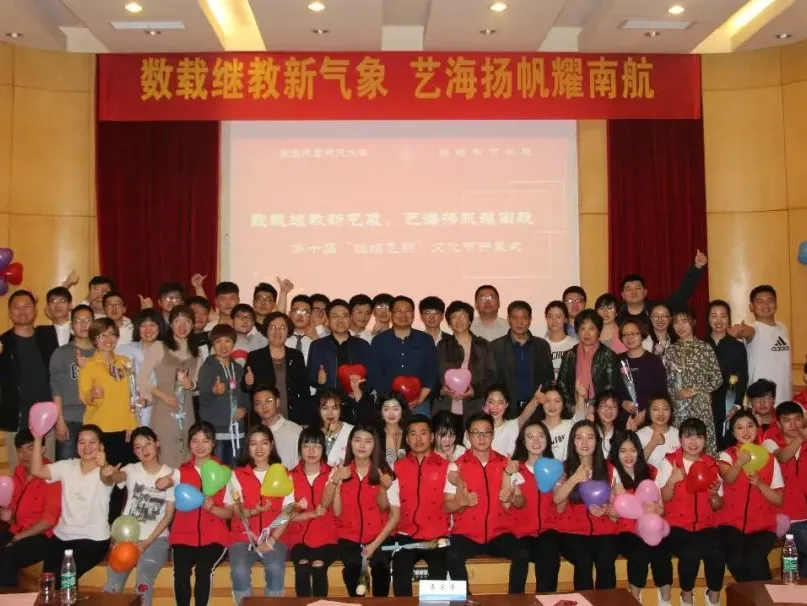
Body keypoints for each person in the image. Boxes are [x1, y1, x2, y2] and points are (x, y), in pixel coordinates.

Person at [444, 412, 530, 594]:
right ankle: (465, 600)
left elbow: (521, 501)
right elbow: (446, 505)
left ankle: (515, 599)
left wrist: (512, 498)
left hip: (499, 533)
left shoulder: (506, 463)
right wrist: (461, 501)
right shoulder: (456, 466)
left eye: (486, 432)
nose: (481, 437)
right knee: (452, 557)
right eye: (476, 433)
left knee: (522, 555)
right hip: (466, 534)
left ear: (493, 434)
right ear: (468, 435)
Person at [156, 422, 233, 606]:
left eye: (205, 441)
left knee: (203, 570)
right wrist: (162, 482)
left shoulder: (225, 473)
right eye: (195, 441)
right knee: (181, 573)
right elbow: (164, 482)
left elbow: (229, 513)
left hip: (215, 537)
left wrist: (211, 508)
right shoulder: (180, 472)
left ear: (213, 443)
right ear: (189, 443)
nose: (200, 446)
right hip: (183, 536)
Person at [33, 425, 115, 587]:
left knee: (65, 578)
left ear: (101, 446)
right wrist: (37, 438)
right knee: (48, 582)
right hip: (62, 535)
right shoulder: (67, 466)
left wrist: (104, 465)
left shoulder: (106, 470)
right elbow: (37, 471)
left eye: (92, 442)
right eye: (81, 442)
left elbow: (109, 478)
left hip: (94, 539)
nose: (86, 447)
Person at [656, 417, 725, 606]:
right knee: (690, 554)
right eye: (688, 437)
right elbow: (663, 498)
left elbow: (718, 505)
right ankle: (686, 595)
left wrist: (714, 496)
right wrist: (672, 481)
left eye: (699, 437)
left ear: (705, 440)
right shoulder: (670, 462)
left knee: (717, 553)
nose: (693, 442)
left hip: (707, 524)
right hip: (677, 525)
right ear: (680, 439)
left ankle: (713, 596)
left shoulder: (711, 464)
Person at [103, 427, 175, 606]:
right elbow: (118, 477)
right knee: (113, 583)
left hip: (156, 539)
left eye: (147, 444)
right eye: (138, 447)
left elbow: (168, 516)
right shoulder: (131, 470)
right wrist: (110, 472)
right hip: (127, 538)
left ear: (157, 443)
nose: (144, 450)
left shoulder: (170, 475)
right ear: (134, 451)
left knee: (143, 581)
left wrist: (147, 542)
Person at [332, 424, 400, 597]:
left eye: (368, 441)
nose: (362, 446)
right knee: (352, 569)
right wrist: (336, 484)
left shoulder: (386, 474)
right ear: (350, 443)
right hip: (349, 537)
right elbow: (337, 512)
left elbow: (392, 514)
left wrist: (374, 545)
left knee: (381, 568)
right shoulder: (340, 471)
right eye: (357, 440)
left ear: (375, 445)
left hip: (379, 536)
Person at [228, 425, 293, 604]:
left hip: (275, 537)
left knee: (275, 569)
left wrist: (272, 540)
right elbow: (236, 509)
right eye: (253, 444)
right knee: (239, 571)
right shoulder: (236, 474)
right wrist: (252, 512)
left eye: (264, 443)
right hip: (243, 535)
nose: (259, 448)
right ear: (247, 447)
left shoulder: (283, 473)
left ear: (271, 445)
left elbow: (288, 510)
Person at [553, 420, 619, 590]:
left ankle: (607, 601)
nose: (584, 442)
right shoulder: (562, 468)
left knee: (606, 560)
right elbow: (557, 500)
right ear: (573, 442)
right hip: (572, 532)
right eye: (579, 437)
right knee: (584, 560)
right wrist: (574, 478)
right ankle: (584, 600)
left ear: (597, 441)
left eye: (590, 437)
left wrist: (607, 510)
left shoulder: (610, 469)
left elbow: (618, 508)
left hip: (604, 530)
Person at [717, 411, 783, 581]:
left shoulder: (770, 458)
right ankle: (753, 594)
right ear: (733, 433)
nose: (745, 431)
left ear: (757, 428)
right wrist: (739, 463)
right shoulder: (726, 455)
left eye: (750, 426)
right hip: (731, 523)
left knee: (754, 561)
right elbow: (728, 478)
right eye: (739, 428)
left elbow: (778, 499)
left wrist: (760, 484)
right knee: (735, 561)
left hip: (764, 525)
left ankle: (764, 594)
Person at [390, 415, 451, 596]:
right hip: (406, 535)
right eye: (413, 434)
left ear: (431, 437)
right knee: (400, 572)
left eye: (423, 433)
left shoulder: (447, 467)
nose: (418, 439)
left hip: (438, 536)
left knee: (439, 575)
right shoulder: (397, 467)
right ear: (407, 439)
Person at [610, 431, 672, 604]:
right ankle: (635, 598)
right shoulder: (611, 473)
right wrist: (614, 497)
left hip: (652, 527)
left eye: (633, 450)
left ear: (639, 451)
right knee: (639, 554)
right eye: (623, 451)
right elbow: (612, 516)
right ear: (616, 453)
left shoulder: (651, 471)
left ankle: (666, 599)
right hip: (626, 531)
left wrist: (655, 510)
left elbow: (662, 510)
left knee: (662, 552)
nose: (628, 456)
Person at [0, 290, 59, 467]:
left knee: (47, 470)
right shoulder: (3, 343)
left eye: (27, 306)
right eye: (16, 307)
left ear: (35, 310)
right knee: (19, 472)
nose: (22, 311)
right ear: (10, 312)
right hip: (16, 418)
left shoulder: (48, 336)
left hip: (48, 417)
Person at [139, 306, 200, 468]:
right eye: (178, 321)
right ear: (171, 324)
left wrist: (191, 384)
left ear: (193, 325)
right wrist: (163, 396)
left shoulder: (197, 351)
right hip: (164, 407)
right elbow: (142, 378)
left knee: (187, 450)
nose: (182, 326)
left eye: (187, 321)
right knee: (164, 452)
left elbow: (197, 383)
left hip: (187, 410)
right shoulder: (159, 346)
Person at [0, 430, 61, 588]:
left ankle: (9, 598)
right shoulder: (19, 472)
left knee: (9, 555)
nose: (25, 455)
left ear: (42, 449)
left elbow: (49, 521)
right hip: (17, 530)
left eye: (30, 448)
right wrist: (8, 516)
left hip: (43, 536)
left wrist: (20, 537)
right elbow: (15, 511)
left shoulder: (52, 475)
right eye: (20, 450)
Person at [78, 318, 138, 469]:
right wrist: (92, 394)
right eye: (102, 335)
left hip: (125, 428)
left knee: (125, 473)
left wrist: (132, 424)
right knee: (102, 475)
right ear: (94, 340)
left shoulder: (125, 362)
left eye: (112, 334)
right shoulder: (89, 366)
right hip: (100, 429)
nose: (108, 339)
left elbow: (131, 395)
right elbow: (83, 397)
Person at [286, 427, 339, 597]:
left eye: (316, 446)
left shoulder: (333, 473)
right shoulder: (290, 476)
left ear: (323, 450)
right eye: (306, 445)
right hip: (298, 537)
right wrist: (311, 514)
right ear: (299, 449)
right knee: (302, 566)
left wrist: (335, 485)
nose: (311, 451)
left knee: (318, 565)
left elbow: (337, 512)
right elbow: (287, 516)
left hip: (327, 537)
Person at [508, 420, 560, 592]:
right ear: (523, 441)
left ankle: (546, 599)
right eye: (530, 437)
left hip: (548, 529)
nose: (536, 441)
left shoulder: (556, 467)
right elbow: (515, 502)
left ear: (547, 440)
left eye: (540, 436)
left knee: (549, 552)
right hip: (521, 532)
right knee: (520, 555)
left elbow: (560, 503)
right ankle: (514, 601)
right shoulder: (515, 468)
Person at [664, 309, 723, 455]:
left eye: (684, 321)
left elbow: (717, 379)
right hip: (679, 407)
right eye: (676, 322)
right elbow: (668, 382)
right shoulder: (670, 350)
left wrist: (695, 390)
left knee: (702, 446)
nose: (680, 326)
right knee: (681, 446)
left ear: (693, 323)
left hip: (700, 406)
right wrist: (676, 394)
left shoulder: (705, 348)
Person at [307, 299, 373, 424]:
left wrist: (360, 390)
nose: (340, 320)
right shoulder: (317, 345)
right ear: (328, 319)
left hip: (354, 405)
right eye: (335, 316)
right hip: (327, 407)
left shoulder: (362, 345)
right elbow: (310, 377)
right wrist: (318, 379)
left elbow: (371, 377)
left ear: (350, 318)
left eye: (344, 316)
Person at [369, 296, 438, 411]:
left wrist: (420, 399)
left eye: (407, 311)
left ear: (413, 314)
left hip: (419, 402)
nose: (403, 315)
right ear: (391, 314)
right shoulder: (379, 340)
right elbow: (375, 374)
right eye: (398, 311)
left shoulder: (425, 340)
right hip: (388, 403)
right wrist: (392, 400)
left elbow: (431, 372)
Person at [243, 311, 311, 427]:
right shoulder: (255, 356)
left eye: (282, 328)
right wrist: (248, 383)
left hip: (292, 418)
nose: (277, 332)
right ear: (266, 331)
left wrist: (305, 421)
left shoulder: (296, 356)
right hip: (263, 419)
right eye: (272, 327)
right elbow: (245, 389)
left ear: (288, 332)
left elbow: (304, 390)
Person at [489, 301, 554, 418]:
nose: (520, 322)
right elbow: (492, 382)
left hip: (537, 409)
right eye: (515, 317)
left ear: (530, 320)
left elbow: (549, 379)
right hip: (506, 411)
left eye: (524, 317)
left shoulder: (542, 346)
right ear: (509, 320)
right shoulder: (496, 347)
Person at [764, 401, 807, 576]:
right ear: (779, 423)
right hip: (783, 515)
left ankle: (798, 586)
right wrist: (800, 438)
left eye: (797, 419)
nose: (794, 424)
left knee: (797, 561)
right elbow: (782, 457)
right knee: (796, 548)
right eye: (787, 420)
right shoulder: (770, 442)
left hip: (804, 512)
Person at [729, 285, 792, 403]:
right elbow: (747, 331)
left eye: (770, 301)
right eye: (760, 302)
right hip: (760, 401)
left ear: (776, 305)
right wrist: (740, 330)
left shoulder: (783, 327)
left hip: (785, 397)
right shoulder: (753, 328)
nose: (766, 305)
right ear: (751, 307)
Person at [197, 324, 248, 467]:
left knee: (236, 474)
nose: (223, 345)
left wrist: (244, 409)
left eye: (227, 341)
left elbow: (245, 398)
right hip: (216, 433)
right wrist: (214, 391)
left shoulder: (238, 368)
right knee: (217, 473)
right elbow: (203, 400)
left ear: (233, 343)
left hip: (238, 431)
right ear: (213, 344)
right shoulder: (207, 368)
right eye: (218, 341)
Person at [434, 300, 494, 420]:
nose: (459, 320)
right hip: (445, 407)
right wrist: (442, 390)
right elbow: (433, 375)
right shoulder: (442, 346)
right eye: (454, 316)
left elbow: (491, 377)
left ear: (470, 320)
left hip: (475, 407)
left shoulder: (483, 345)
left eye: (463, 315)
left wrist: (474, 391)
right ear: (449, 322)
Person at [50, 304, 96, 461]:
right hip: (69, 420)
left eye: (87, 320)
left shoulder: (101, 352)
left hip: (97, 419)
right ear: (72, 326)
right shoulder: (61, 353)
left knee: (95, 469)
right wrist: (59, 420)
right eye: (78, 321)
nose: (83, 325)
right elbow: (56, 389)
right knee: (67, 468)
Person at [617, 250, 708, 327]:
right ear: (623, 295)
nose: (633, 292)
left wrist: (697, 267)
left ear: (645, 292)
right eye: (628, 289)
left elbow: (681, 294)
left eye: (637, 288)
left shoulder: (658, 309)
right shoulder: (615, 314)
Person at [557, 309, 620, 411]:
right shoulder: (569, 355)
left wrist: (594, 406)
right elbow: (561, 384)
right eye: (582, 328)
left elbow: (611, 386)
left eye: (591, 328)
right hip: (573, 409)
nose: (587, 333)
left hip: (600, 410)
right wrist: (571, 406)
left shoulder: (608, 355)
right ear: (577, 331)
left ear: (598, 331)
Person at [706, 300, 748, 448]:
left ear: (729, 319)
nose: (718, 321)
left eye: (723, 316)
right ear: (708, 319)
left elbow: (743, 377)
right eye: (714, 316)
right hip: (705, 402)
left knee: (727, 443)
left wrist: (737, 403)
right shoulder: (700, 344)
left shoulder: (737, 346)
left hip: (728, 402)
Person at [116, 308, 163, 429]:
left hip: (160, 411)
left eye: (152, 325)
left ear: (160, 327)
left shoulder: (168, 353)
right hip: (128, 412)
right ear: (137, 328)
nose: (148, 330)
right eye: (143, 325)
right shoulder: (123, 350)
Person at [617, 320, 667, 426]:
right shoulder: (617, 360)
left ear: (642, 335)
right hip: (623, 419)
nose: (629, 338)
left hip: (649, 419)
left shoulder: (654, 361)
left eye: (633, 334)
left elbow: (661, 393)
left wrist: (645, 413)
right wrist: (622, 402)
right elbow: (612, 389)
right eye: (625, 335)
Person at [474, 383, 542, 457]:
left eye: (500, 403)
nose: (495, 407)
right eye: (491, 402)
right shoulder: (475, 428)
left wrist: (535, 400)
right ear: (485, 403)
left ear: (506, 404)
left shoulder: (512, 426)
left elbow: (525, 416)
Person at [252, 384, 302, 469]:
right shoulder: (253, 434)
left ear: (277, 402)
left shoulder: (296, 431)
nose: (264, 406)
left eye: (268, 401)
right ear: (255, 408)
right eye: (258, 403)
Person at [538, 385, 587, 461]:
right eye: (547, 401)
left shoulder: (570, 425)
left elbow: (580, 416)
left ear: (563, 404)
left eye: (557, 401)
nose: (552, 405)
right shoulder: (535, 428)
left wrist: (580, 397)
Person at [637, 395, 681, 469]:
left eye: (665, 409)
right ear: (649, 412)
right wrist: (652, 443)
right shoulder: (639, 435)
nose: (661, 414)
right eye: (656, 409)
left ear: (671, 412)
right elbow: (635, 466)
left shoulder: (678, 434)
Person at [319, 389, 354, 466]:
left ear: (340, 410)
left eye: (334, 408)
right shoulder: (313, 432)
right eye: (325, 408)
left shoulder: (351, 431)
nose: (330, 413)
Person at [544, 301, 577, 379]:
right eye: (550, 316)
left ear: (565, 319)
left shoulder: (575, 344)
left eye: (558, 317)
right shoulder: (540, 345)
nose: (554, 320)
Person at [380, 394, 408, 468]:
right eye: (386, 409)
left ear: (402, 411)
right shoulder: (376, 435)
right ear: (381, 412)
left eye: (395, 409)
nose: (391, 413)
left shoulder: (409, 434)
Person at [286, 295, 317, 363]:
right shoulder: (281, 337)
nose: (300, 315)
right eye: (296, 311)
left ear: (311, 316)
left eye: (305, 312)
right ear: (289, 314)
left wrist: (316, 339)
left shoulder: (317, 339)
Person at [592, 390, 620, 457]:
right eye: (604, 406)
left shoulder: (621, 434)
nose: (609, 410)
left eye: (613, 406)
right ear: (597, 409)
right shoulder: (591, 430)